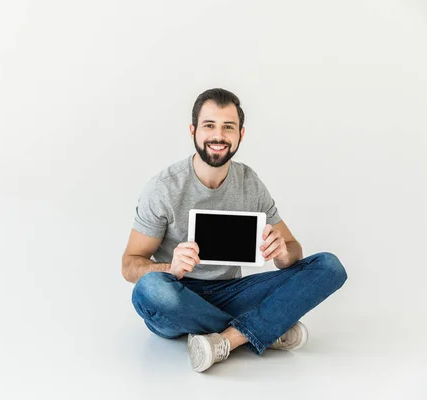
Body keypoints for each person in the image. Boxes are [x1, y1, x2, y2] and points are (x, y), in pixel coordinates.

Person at [121, 88, 348, 373]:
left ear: (241, 134)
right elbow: (130, 264)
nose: (218, 136)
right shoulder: (164, 188)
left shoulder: (249, 182)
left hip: (232, 292)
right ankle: (265, 328)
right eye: (209, 125)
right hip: (178, 293)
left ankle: (230, 339)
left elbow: (293, 249)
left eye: (228, 127)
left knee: (329, 266)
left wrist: (283, 254)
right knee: (150, 290)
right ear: (193, 130)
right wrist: (171, 269)